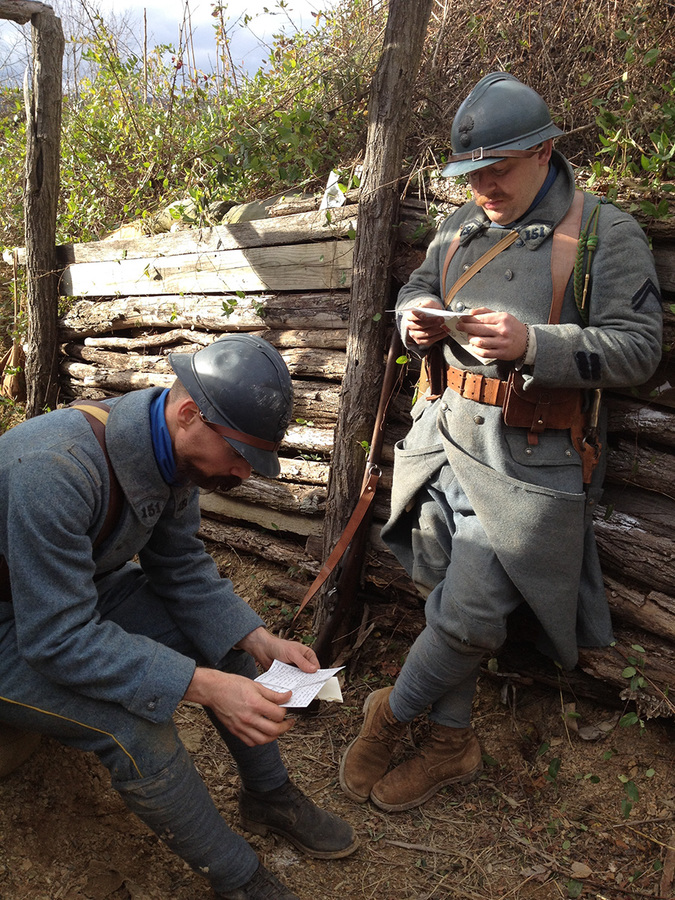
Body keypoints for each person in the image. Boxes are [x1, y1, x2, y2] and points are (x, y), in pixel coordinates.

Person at [339, 72, 663, 813]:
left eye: (499, 167)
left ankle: (390, 716)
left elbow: (639, 351)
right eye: (471, 172)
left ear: (544, 151)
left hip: (532, 456)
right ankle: (453, 745)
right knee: (438, 591)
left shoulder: (603, 233)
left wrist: (533, 343)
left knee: (471, 613)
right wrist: (414, 314)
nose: (483, 184)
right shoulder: (458, 227)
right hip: (441, 435)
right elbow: (415, 284)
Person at [0, 333, 358, 900]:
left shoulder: (169, 450)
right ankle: (237, 880)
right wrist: (201, 686)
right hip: (18, 625)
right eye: (240, 456)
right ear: (191, 413)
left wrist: (256, 637)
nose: (244, 475)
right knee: (135, 726)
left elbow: (179, 563)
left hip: (71, 599)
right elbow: (57, 637)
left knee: (222, 640)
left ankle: (268, 796)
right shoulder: (54, 467)